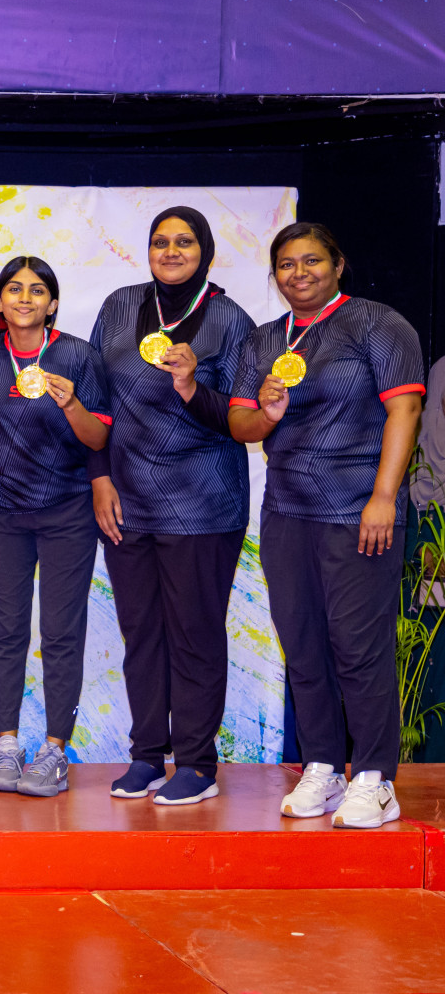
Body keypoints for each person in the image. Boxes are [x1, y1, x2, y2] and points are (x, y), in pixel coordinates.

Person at [228, 222, 423, 828]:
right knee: (303, 645)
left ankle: (374, 779)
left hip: (358, 511)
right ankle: (322, 768)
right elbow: (241, 428)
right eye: (286, 264)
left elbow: (405, 407)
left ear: (338, 264)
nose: (299, 273)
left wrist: (383, 496)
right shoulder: (265, 341)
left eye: (312, 261)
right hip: (287, 513)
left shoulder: (376, 323)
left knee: (358, 647)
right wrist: (267, 411)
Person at [90, 206, 253, 806]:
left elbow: (239, 419)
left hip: (203, 504)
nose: (171, 250)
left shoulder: (230, 320)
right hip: (126, 501)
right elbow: (96, 402)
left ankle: (198, 764)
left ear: (205, 251)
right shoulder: (118, 305)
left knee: (195, 633)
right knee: (142, 634)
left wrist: (191, 385)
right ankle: (145, 756)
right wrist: (100, 478)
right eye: (161, 241)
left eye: (184, 242)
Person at [0, 256, 109, 798]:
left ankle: (55, 749)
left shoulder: (79, 355)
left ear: (52, 303)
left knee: (60, 634)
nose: (24, 298)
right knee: (3, 630)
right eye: (13, 289)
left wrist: (72, 402)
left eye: (37, 290)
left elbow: (98, 439)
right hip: (1, 510)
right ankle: (7, 744)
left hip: (67, 510)